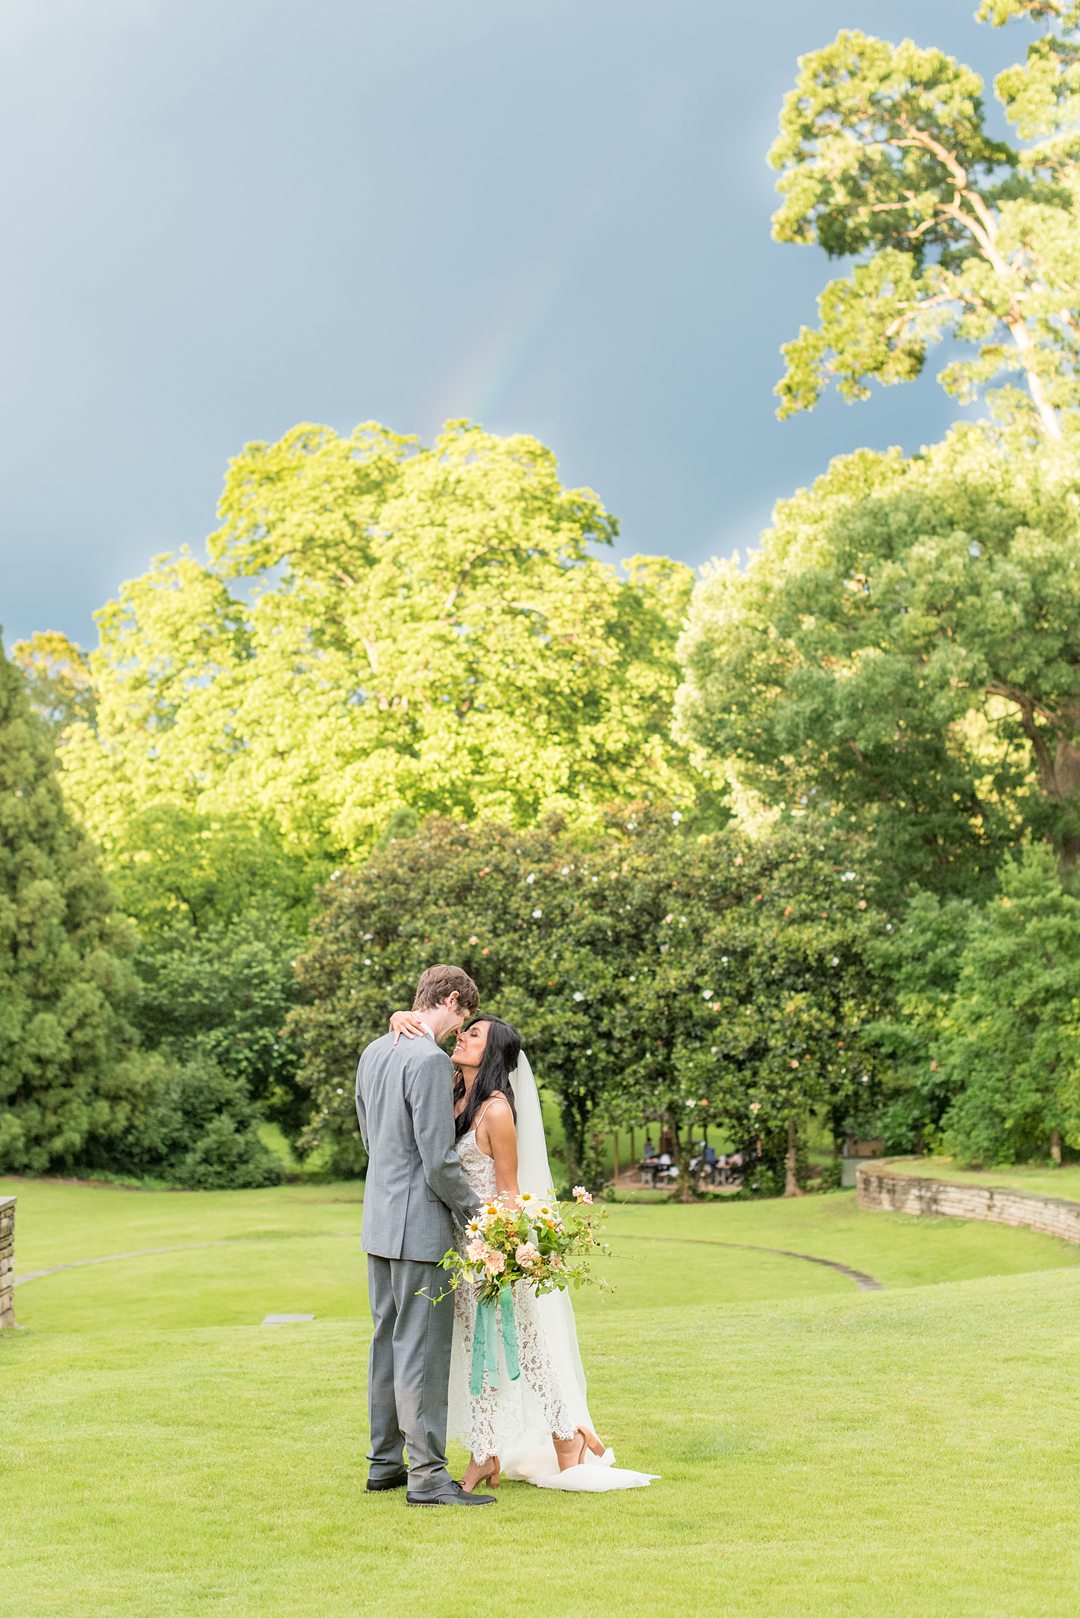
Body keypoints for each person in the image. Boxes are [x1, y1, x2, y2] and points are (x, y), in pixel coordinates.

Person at [390, 1007, 658, 1493]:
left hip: (488, 1246)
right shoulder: (452, 1095)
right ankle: (562, 1436)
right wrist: (399, 1015)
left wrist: (504, 1249)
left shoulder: (495, 1110)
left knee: (507, 1347)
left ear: (491, 1054)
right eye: (466, 1031)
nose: (464, 1038)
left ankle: (495, 1451)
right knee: (494, 1347)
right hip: (457, 1245)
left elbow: (509, 1189)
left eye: (474, 1036)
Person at [355, 964, 496, 1508]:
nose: (458, 1031)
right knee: (422, 1350)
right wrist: (477, 1215)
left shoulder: (374, 1051)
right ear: (454, 999)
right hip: (420, 1228)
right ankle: (429, 1477)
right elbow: (438, 1161)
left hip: (379, 1222)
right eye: (463, 1017)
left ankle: (384, 1464)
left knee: (386, 1345)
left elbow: (372, 1139)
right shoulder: (430, 1062)